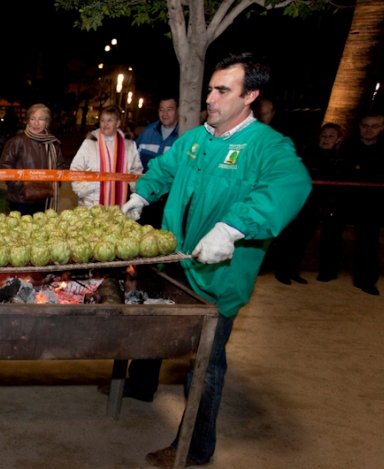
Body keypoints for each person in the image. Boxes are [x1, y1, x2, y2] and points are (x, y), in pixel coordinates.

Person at [120, 53, 311, 468]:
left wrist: (233, 229)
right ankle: (140, 385)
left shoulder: (267, 147)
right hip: (174, 259)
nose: (210, 97)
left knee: (205, 364)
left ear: (250, 96)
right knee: (153, 327)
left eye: (222, 90)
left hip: (218, 274)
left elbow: (290, 185)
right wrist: (140, 195)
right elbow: (164, 171)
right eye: (210, 88)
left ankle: (195, 446)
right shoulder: (195, 139)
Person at [317, 112, 383, 295]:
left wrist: (360, 171)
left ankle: (366, 281)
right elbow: (342, 170)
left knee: (369, 241)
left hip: (371, 201)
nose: (369, 130)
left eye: (374, 126)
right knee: (330, 233)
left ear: (381, 128)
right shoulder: (347, 146)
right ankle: (327, 271)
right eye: (365, 125)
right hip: (344, 198)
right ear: (359, 126)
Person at [274, 123, 343, 285]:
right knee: (290, 237)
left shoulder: (338, 159)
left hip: (317, 205)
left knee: (304, 239)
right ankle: (282, 271)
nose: (326, 139)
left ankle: (293, 270)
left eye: (331, 136)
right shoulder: (308, 155)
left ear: (339, 139)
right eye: (324, 136)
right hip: (300, 202)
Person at [70, 105, 143, 208]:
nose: (105, 123)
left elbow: (137, 172)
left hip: (121, 204)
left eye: (110, 120)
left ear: (117, 123)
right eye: (103, 120)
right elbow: (75, 170)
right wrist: (90, 188)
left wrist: (132, 191)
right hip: (92, 204)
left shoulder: (130, 145)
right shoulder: (89, 143)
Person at [0, 103, 62, 214]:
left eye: (41, 119)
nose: (36, 123)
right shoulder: (17, 141)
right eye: (32, 119)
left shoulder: (53, 144)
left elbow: (60, 167)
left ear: (47, 122)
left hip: (45, 199)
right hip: (21, 200)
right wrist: (21, 186)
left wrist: (53, 185)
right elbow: (5, 166)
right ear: (28, 120)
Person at [136, 96, 180, 228]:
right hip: (146, 196)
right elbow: (134, 161)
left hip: (170, 201)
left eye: (169, 109)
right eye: (161, 109)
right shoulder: (148, 132)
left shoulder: (184, 136)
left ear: (178, 111)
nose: (165, 114)